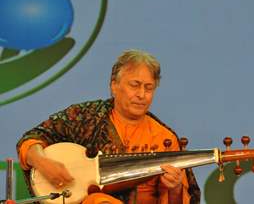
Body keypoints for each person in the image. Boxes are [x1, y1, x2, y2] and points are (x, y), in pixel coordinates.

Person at [16, 49, 200, 204]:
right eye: (134, 85)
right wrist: (43, 162)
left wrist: (175, 188)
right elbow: (30, 140)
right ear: (114, 85)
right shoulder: (85, 117)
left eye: (149, 88)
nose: (142, 94)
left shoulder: (164, 138)